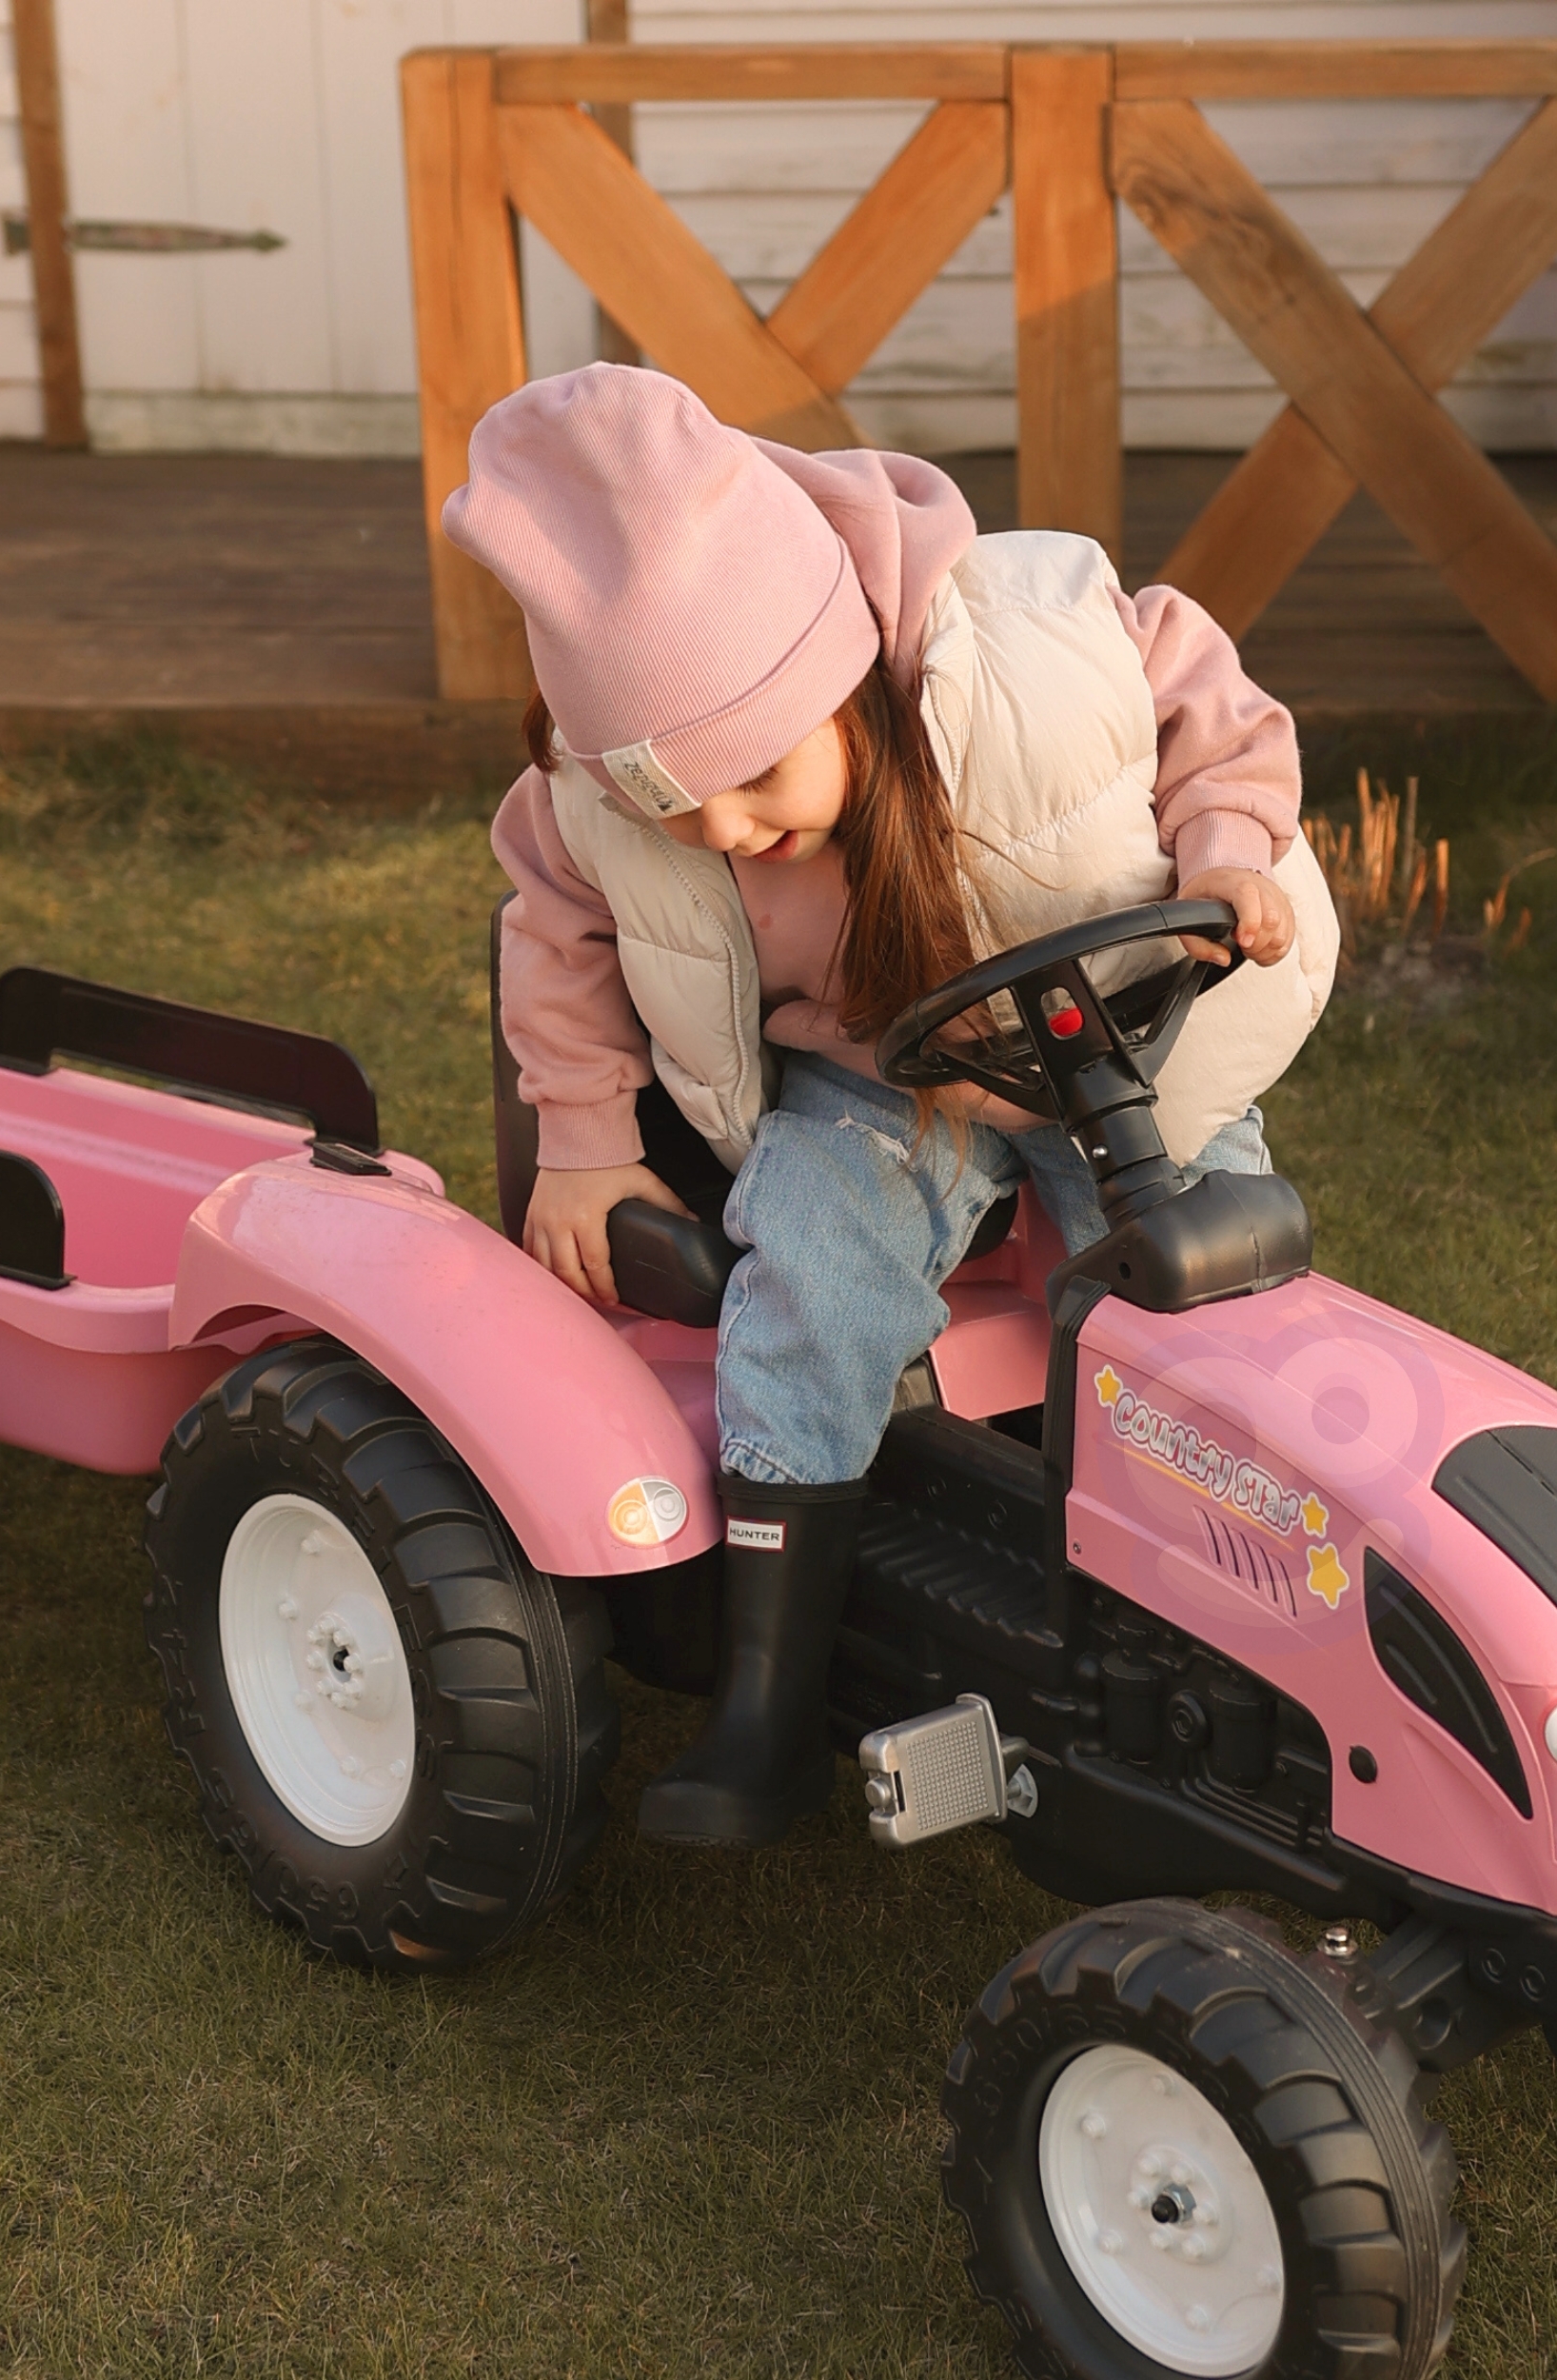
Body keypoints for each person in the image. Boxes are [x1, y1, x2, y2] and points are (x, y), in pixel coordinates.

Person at [444, 365, 1338, 1849]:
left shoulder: (1043, 652)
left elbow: (1214, 709)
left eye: (749, 780)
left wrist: (1230, 851)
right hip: (882, 1073)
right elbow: (555, 928)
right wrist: (587, 1142)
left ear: (832, 677)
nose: (726, 833)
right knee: (806, 1271)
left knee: (1209, 1284)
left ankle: (1246, 1614)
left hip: (1108, 1044)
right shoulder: (609, 800)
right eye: (681, 816)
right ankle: (767, 1700)